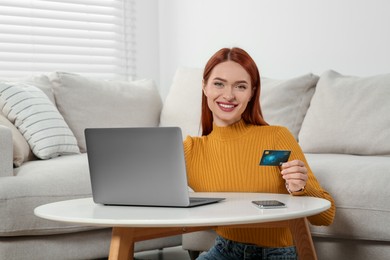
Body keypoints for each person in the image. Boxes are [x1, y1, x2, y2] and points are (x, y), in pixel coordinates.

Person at [183, 47, 336, 260]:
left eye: (240, 86)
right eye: (219, 83)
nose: (228, 95)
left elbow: (326, 217)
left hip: (275, 254)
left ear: (252, 92)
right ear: (205, 87)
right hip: (223, 251)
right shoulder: (190, 150)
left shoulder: (276, 137)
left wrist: (301, 187)